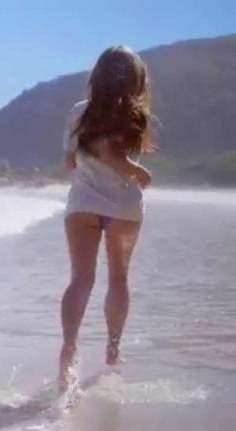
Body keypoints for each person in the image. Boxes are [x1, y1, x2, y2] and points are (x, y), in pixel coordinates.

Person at [59, 45, 155, 390]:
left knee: (80, 280)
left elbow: (69, 161)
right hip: (124, 208)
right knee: (118, 279)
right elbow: (110, 153)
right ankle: (113, 347)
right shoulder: (135, 116)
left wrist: (89, 168)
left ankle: (69, 346)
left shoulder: (79, 112)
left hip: (83, 204)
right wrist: (137, 171)